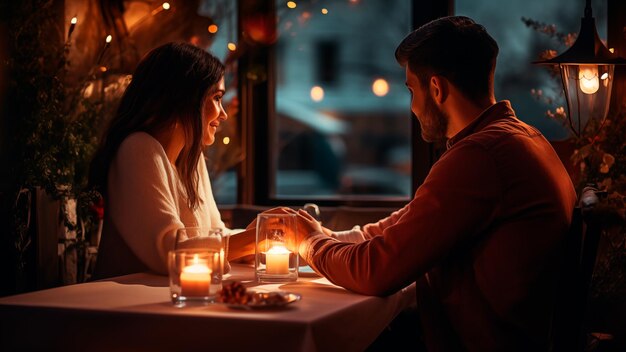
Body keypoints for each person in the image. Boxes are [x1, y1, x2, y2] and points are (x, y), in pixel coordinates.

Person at [282, 16, 577, 351]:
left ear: (436, 88)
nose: (412, 106)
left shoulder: (481, 156)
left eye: (411, 89)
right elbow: (404, 226)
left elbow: (374, 271)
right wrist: (327, 236)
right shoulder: (519, 138)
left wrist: (310, 243)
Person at [89, 42, 252, 280]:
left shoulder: (192, 160)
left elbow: (215, 234)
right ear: (185, 98)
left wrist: (279, 238)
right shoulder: (137, 149)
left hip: (174, 303)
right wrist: (257, 238)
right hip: (127, 309)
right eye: (216, 97)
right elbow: (172, 253)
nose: (223, 113)